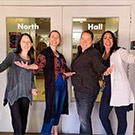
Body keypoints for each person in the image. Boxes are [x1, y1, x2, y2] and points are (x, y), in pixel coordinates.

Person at [15, 30, 75, 135]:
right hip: (53, 87)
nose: (55, 39)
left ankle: (54, 132)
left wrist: (67, 74)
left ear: (59, 40)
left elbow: (64, 69)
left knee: (58, 109)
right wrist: (28, 66)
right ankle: (45, 132)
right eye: (53, 36)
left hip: (63, 86)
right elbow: (38, 65)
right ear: (49, 39)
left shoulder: (60, 55)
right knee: (51, 111)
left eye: (57, 37)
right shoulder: (45, 53)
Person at [71, 30, 113, 135]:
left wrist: (104, 70)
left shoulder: (94, 53)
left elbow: (97, 65)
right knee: (82, 119)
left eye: (87, 39)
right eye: (83, 38)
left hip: (88, 91)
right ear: (80, 39)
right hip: (78, 90)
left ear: (92, 41)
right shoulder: (80, 52)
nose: (84, 41)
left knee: (84, 120)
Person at [0, 33, 38, 135]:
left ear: (31, 44)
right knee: (18, 125)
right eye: (23, 41)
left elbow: (31, 78)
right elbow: (1, 67)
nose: (26, 44)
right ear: (19, 44)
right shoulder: (13, 56)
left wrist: (33, 88)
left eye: (28, 42)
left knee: (23, 124)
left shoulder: (31, 60)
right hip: (13, 94)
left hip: (26, 94)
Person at [99, 30, 135, 135]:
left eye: (110, 37)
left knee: (121, 118)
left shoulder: (119, 51)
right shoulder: (102, 56)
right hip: (107, 91)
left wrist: (133, 59)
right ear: (102, 41)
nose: (108, 40)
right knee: (103, 116)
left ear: (114, 40)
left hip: (120, 90)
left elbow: (127, 57)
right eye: (105, 38)